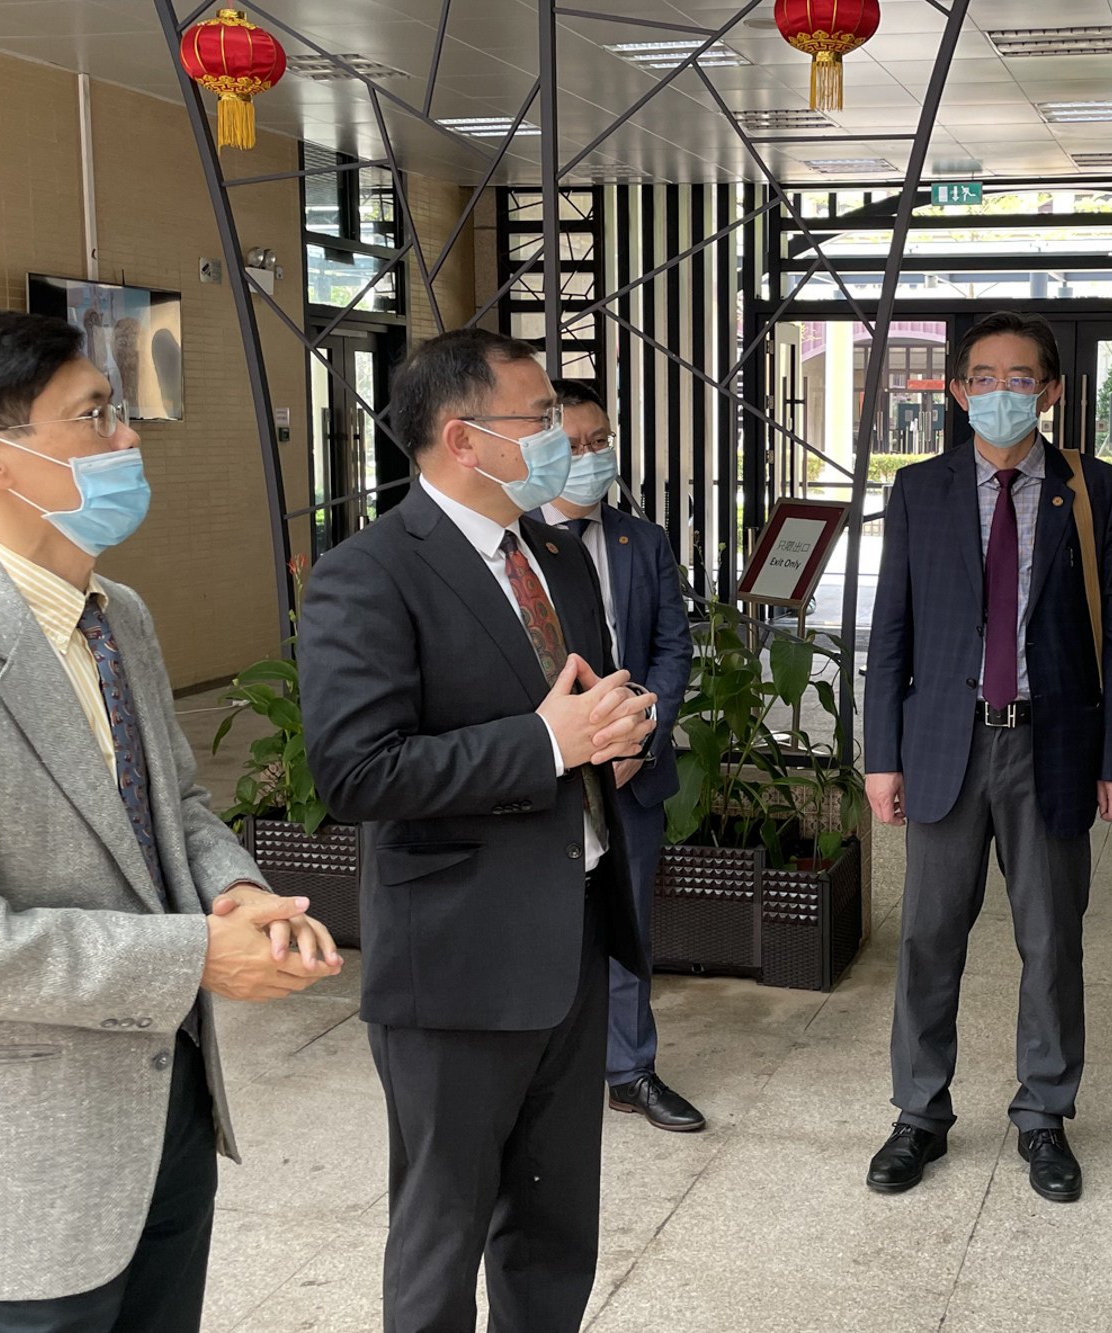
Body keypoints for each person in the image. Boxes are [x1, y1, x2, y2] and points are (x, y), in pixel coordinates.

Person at [0, 308, 342, 1333]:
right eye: (94, 414)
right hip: (20, 1154)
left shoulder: (117, 615)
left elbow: (172, 801)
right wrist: (193, 954)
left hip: (163, 1114)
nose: (128, 436)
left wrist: (237, 892)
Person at [296, 328, 657, 1333]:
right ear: (462, 438)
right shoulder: (369, 573)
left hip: (573, 928)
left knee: (554, 1225)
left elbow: (578, 704)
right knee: (442, 1231)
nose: (560, 439)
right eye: (538, 419)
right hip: (455, 954)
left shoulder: (555, 555)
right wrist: (543, 744)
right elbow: (356, 771)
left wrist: (618, 731)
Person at [863, 309, 1112, 1203]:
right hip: (944, 745)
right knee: (927, 936)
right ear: (957, 391)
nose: (1000, 393)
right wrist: (880, 755)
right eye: (982, 378)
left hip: (1051, 744)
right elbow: (892, 627)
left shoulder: (1097, 492)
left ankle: (1044, 1114)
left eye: (1019, 378)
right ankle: (919, 1112)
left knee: (1051, 939)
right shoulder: (919, 489)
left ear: (1051, 390)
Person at [531, 378, 703, 1132]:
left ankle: (630, 1071)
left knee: (628, 924)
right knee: (542, 925)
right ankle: (543, 1073)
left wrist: (642, 731)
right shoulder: (514, 544)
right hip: (546, 772)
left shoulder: (642, 539)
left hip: (632, 772)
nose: (590, 455)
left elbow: (672, 648)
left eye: (599, 440)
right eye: (573, 445)